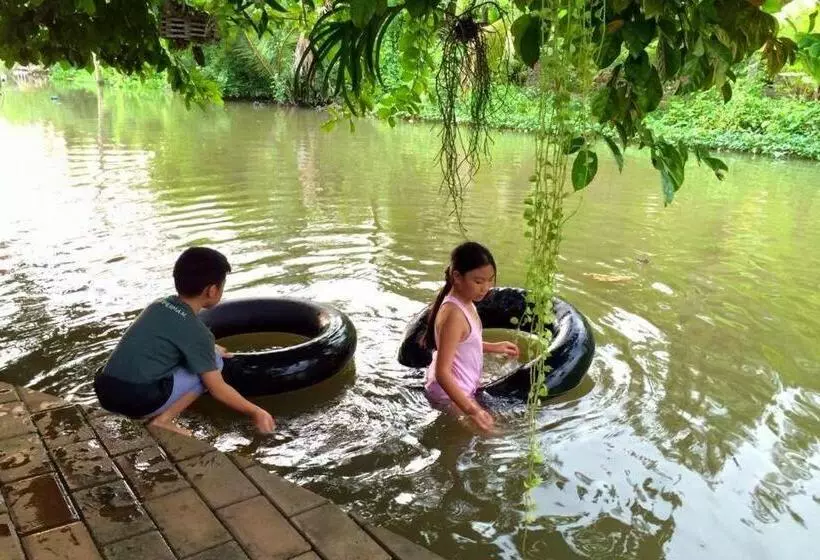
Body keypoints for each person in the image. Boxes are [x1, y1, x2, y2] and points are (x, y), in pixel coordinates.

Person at [94, 247, 275, 436]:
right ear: (212, 290)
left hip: (106, 391)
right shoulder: (198, 333)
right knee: (216, 362)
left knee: (205, 356)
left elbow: (172, 335)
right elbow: (217, 389)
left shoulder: (158, 305)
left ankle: (152, 411)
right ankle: (163, 421)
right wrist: (256, 411)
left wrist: (209, 347)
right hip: (138, 401)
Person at [424, 241, 519, 433]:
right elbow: (443, 373)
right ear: (457, 277)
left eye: (490, 280)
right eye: (478, 281)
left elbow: (464, 343)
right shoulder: (454, 314)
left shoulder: (466, 302)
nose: (485, 288)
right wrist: (472, 409)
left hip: (461, 384)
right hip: (449, 393)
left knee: (497, 427)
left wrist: (494, 346)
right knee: (493, 437)